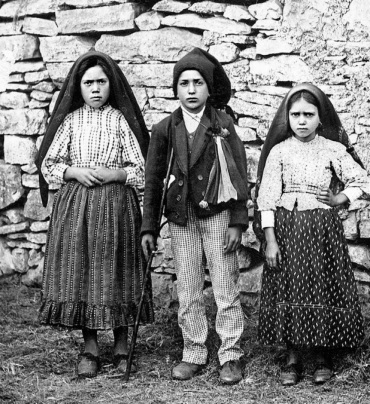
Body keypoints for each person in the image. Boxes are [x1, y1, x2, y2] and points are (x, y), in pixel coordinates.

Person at [35, 51, 153, 378]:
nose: (96, 88)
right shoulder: (71, 121)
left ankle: (121, 343)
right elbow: (49, 165)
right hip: (77, 207)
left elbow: (141, 169)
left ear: (110, 84)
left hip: (116, 207)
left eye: (102, 81)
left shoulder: (119, 120)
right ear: (79, 87)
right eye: (89, 83)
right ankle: (89, 346)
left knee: (116, 270)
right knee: (82, 271)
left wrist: (115, 174)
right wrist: (74, 171)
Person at [141, 48, 249, 384]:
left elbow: (239, 174)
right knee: (188, 285)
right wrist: (149, 226)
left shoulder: (222, 123)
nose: (191, 90)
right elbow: (153, 178)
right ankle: (194, 350)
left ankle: (230, 353)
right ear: (176, 88)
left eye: (198, 83)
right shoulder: (164, 128)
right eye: (184, 83)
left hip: (217, 215)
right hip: (180, 217)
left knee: (224, 282)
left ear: (208, 88)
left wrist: (237, 220)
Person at [255, 83, 370, 386]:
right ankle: (292, 357)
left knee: (321, 284)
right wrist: (270, 240)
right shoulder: (279, 152)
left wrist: (339, 199)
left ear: (321, 117)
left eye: (309, 114)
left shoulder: (332, 149)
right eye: (296, 115)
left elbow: (362, 180)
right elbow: (267, 197)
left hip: (322, 230)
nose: (302, 121)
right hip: (286, 229)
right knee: (290, 285)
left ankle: (322, 355)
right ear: (287, 118)